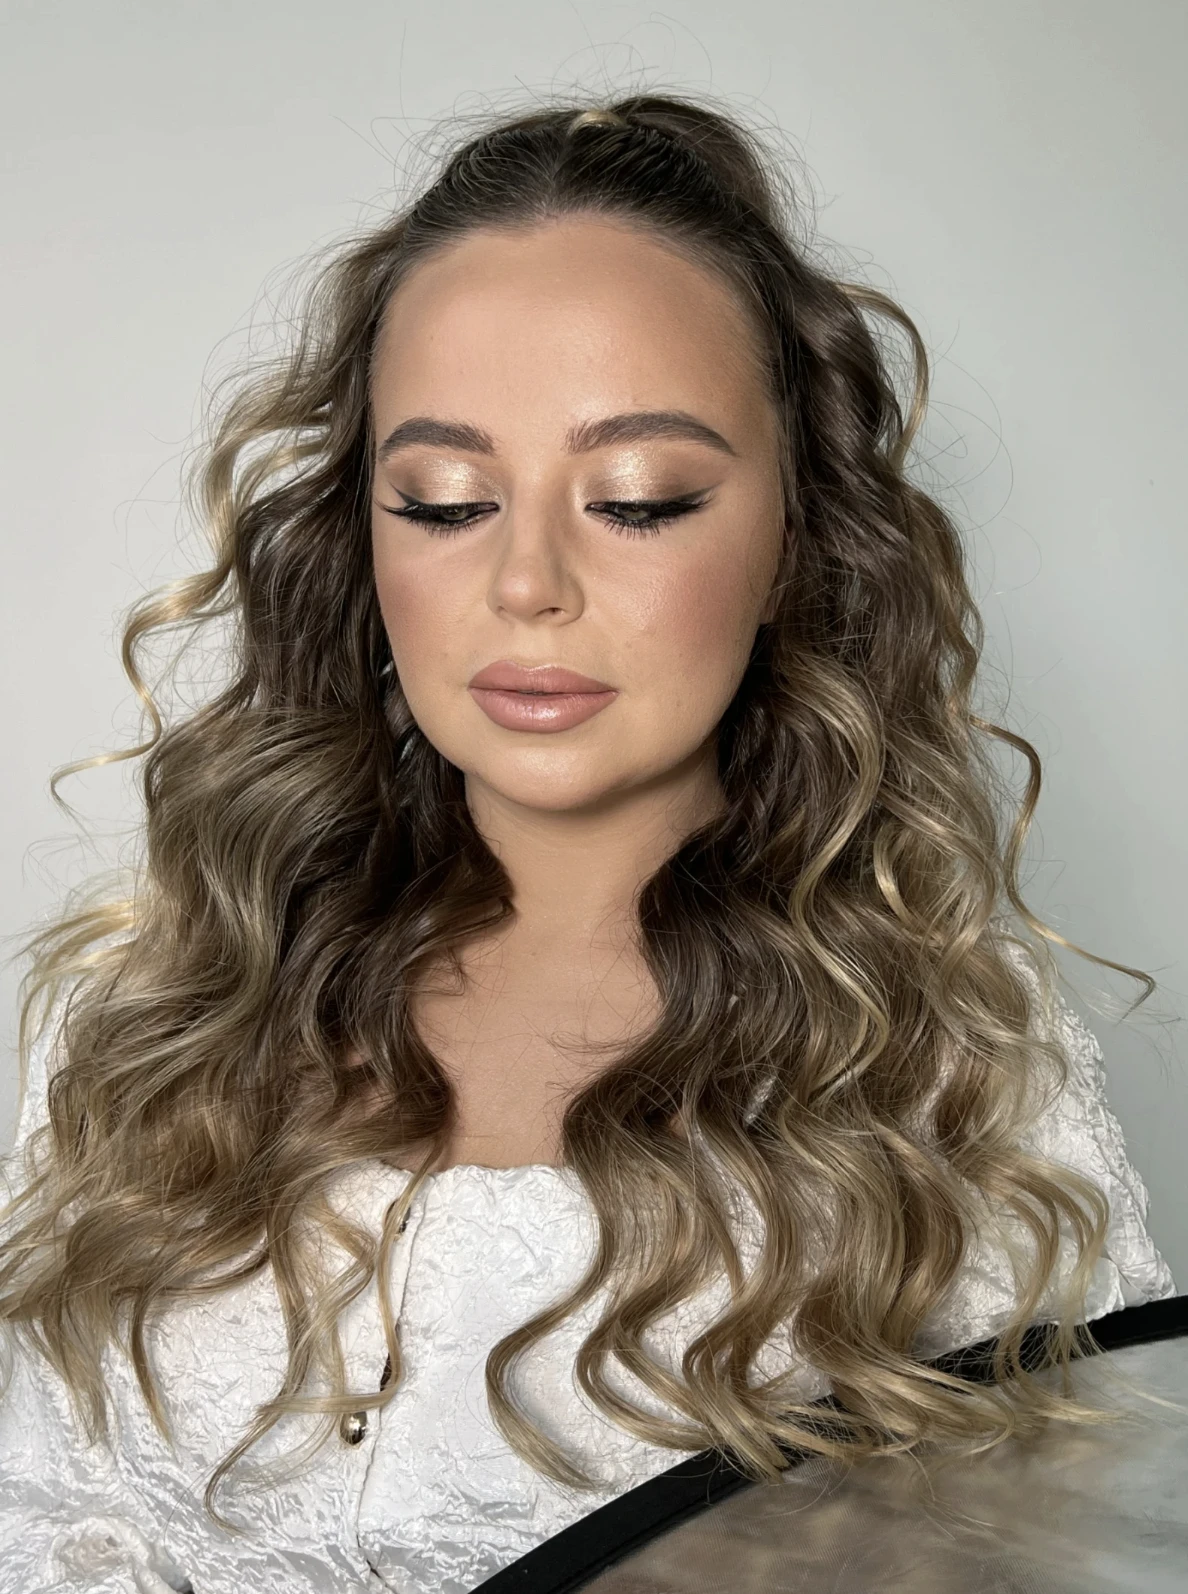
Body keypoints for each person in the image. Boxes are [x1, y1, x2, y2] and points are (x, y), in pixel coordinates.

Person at [0, 91, 1175, 1594]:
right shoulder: (154, 1013)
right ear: (361, 533)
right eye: (445, 501)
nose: (527, 582)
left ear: (797, 537)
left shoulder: (949, 1070)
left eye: (638, 499)